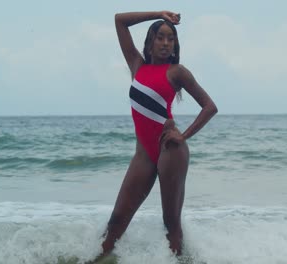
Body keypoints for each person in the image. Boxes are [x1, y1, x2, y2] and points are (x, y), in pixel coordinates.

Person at [94, 10, 218, 260]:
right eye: (160, 37)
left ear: (175, 45)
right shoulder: (137, 66)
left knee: (170, 223)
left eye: (170, 38)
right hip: (143, 154)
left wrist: (183, 136)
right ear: (150, 42)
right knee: (116, 221)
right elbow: (120, 20)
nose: (165, 43)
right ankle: (98, 259)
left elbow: (209, 107)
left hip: (170, 150)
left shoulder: (177, 72)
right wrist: (158, 14)